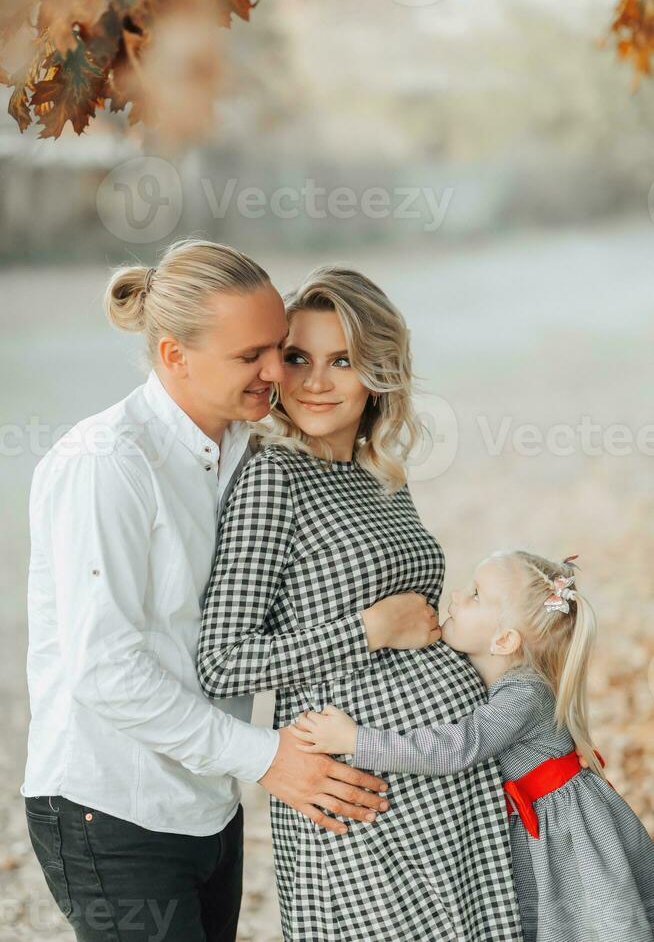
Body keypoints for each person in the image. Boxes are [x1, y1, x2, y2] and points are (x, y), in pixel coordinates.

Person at [23, 239, 425, 942]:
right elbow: (105, 672)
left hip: (211, 801)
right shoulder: (107, 465)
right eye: (252, 357)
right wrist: (269, 758)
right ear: (175, 356)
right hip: (113, 807)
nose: (278, 374)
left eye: (279, 347)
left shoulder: (247, 447)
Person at [197, 267, 524, 940]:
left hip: (445, 775)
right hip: (361, 794)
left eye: (341, 360)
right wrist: (368, 630)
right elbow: (222, 662)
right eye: (298, 358)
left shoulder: (381, 474)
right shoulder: (272, 478)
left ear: (378, 370)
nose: (316, 381)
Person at [291, 551, 654, 942]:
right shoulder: (508, 680)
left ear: (504, 640)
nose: (457, 596)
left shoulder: (523, 694)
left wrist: (356, 740)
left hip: (566, 835)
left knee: (586, 924)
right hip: (543, 824)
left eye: (476, 594)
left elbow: (456, 748)